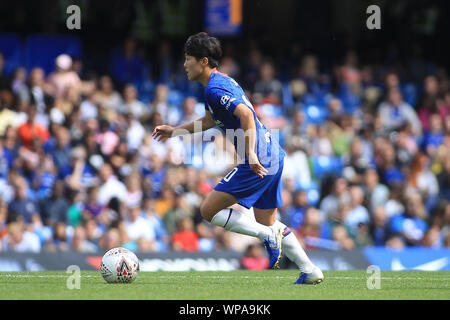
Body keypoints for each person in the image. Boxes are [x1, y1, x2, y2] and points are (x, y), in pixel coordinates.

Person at [152, 32, 322, 285]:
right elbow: (210, 121)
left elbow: (245, 115)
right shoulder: (218, 84)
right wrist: (175, 131)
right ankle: (309, 269)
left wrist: (251, 153)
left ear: (203, 61)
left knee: (208, 210)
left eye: (188, 59)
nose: (185, 64)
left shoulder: (214, 88)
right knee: (268, 220)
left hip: (259, 156)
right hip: (272, 153)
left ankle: (267, 236)